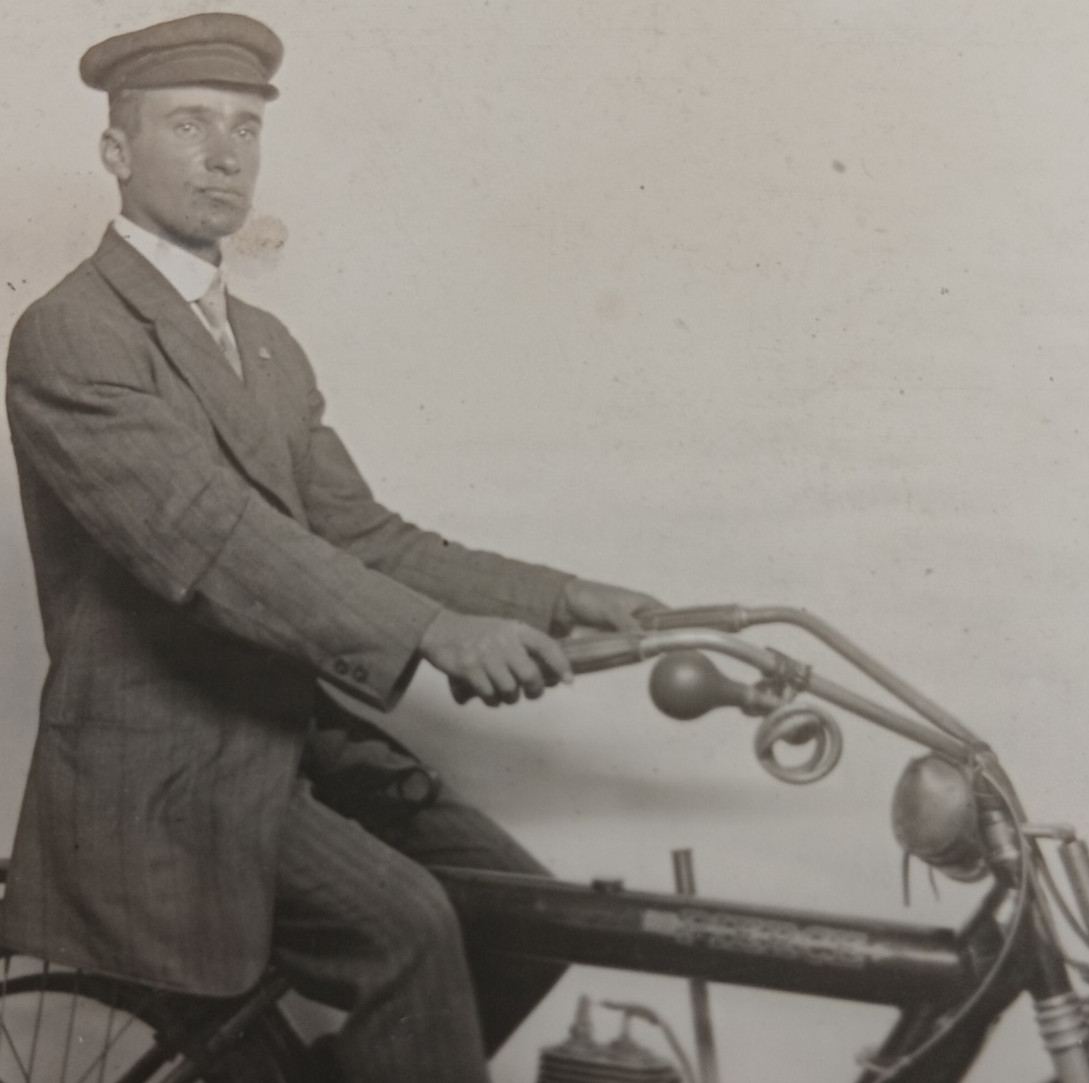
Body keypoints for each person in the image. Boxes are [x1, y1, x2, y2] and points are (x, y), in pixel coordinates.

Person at [0, 13, 660, 1083]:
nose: (225, 155)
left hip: (286, 732)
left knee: (527, 915)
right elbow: (216, 541)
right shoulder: (74, 334)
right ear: (117, 152)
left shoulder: (263, 343)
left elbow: (358, 533)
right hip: (168, 769)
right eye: (189, 125)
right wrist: (435, 633)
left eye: (246, 129)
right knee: (412, 931)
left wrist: (564, 597)